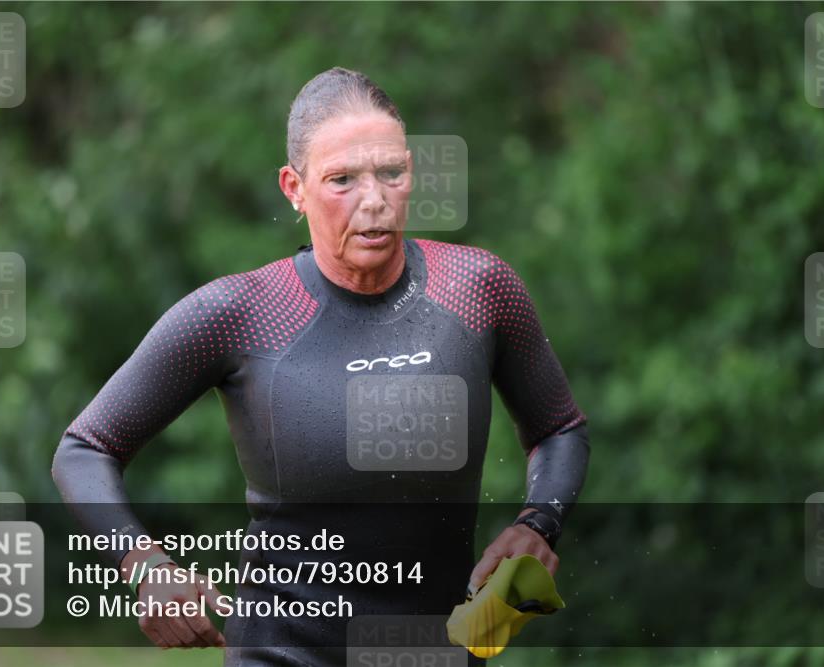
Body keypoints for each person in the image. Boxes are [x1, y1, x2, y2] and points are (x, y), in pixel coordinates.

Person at [52, 66, 590, 666]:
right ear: (294, 187)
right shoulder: (243, 312)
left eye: (392, 172)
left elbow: (558, 429)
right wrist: (143, 565)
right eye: (342, 180)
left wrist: (538, 525)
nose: (375, 201)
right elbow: (86, 446)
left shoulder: (476, 288)